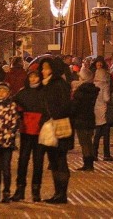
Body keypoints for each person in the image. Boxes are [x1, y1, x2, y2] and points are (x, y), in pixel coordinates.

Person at [39, 56, 73, 204]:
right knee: (53, 160)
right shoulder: (46, 84)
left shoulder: (58, 84)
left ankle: (62, 193)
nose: (42, 71)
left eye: (45, 68)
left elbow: (64, 106)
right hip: (48, 126)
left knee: (60, 160)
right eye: (42, 68)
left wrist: (53, 115)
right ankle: (57, 192)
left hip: (59, 125)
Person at [12, 69, 46, 202]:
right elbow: (15, 105)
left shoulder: (44, 92)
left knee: (38, 161)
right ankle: (20, 189)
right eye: (31, 77)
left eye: (35, 77)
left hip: (40, 130)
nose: (33, 79)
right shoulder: (23, 93)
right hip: (26, 130)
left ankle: (36, 190)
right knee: (23, 160)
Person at [71, 66, 100, 171]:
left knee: (84, 142)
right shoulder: (93, 90)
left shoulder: (80, 91)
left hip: (80, 118)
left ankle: (87, 163)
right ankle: (90, 163)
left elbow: (75, 105)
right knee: (89, 141)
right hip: (90, 117)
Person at [92, 59, 113, 161]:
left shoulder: (94, 84)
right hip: (104, 111)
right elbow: (106, 98)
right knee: (106, 135)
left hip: (96, 110)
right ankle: (106, 154)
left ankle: (94, 153)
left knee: (97, 134)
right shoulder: (105, 85)